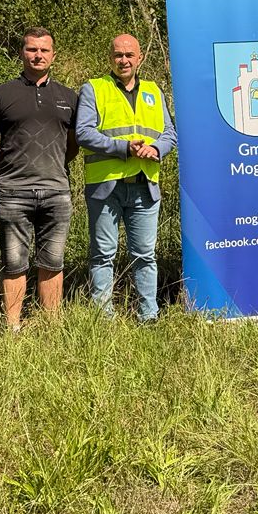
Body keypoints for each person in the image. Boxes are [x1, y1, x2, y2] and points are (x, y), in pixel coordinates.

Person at [0, 28, 79, 331]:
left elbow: (73, 145)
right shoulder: (0, 95)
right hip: (13, 192)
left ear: (53, 55)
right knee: (14, 263)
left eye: (44, 50)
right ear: (22, 53)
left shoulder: (69, 97)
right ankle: (12, 328)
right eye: (32, 49)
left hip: (57, 191)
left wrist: (54, 169)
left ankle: (51, 326)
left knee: (52, 262)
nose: (38, 55)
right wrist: (10, 172)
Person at [76, 34, 177, 321]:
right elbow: (83, 132)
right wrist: (123, 148)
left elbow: (169, 133)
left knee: (145, 255)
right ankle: (103, 318)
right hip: (106, 186)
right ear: (110, 57)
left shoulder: (154, 91)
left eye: (129, 55)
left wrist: (156, 149)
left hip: (145, 185)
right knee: (103, 254)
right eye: (118, 55)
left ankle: (149, 315)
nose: (124, 60)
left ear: (139, 57)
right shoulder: (94, 88)